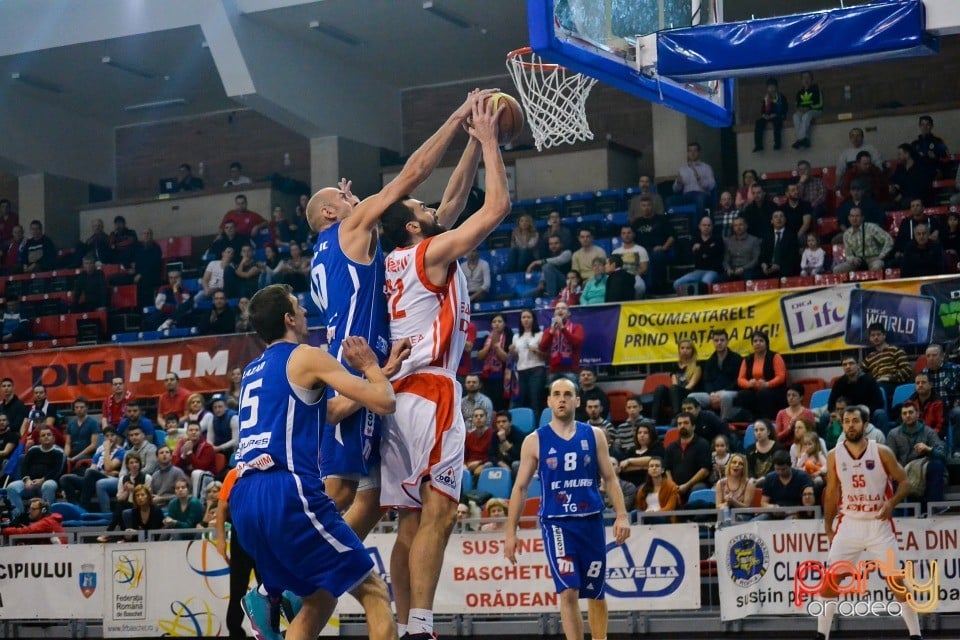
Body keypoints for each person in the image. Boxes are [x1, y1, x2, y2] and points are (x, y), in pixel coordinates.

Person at [306, 90, 494, 547]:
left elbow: (445, 211)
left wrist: (474, 143)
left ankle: (314, 583)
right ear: (331, 212)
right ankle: (289, 578)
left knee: (369, 502)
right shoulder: (346, 230)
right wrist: (456, 118)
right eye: (342, 196)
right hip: (358, 362)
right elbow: (412, 175)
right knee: (340, 489)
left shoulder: (346, 248)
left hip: (368, 363)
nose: (352, 195)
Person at [377, 95, 512, 640]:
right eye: (419, 210)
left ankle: (405, 625)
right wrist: (489, 142)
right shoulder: (429, 253)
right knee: (439, 514)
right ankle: (423, 628)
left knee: (409, 523)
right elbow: (495, 209)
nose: (428, 208)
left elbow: (453, 199)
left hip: (397, 398)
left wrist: (473, 143)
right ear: (414, 229)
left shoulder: (396, 258)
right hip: (432, 390)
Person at [229, 285, 402, 640]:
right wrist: (370, 366)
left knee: (319, 599)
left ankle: (265, 597)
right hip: (286, 491)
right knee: (374, 592)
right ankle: (264, 598)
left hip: (244, 498)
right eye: (298, 306)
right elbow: (385, 402)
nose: (306, 311)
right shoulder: (306, 355)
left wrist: (380, 371)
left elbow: (333, 411)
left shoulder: (251, 372)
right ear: (289, 319)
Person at [504, 378, 630, 640]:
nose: (562, 399)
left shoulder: (594, 435)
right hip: (557, 523)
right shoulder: (534, 440)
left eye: (567, 394)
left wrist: (621, 515)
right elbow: (519, 488)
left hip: (591, 520)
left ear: (577, 401)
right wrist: (510, 532)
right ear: (549, 401)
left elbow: (610, 478)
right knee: (568, 590)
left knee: (595, 591)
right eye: (556, 394)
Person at [816, 405, 921, 640]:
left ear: (865, 425)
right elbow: (832, 492)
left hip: (878, 524)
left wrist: (891, 503)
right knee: (830, 581)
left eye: (855, 421)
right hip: (849, 523)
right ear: (841, 425)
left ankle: (916, 635)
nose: (850, 425)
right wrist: (827, 527)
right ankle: (821, 635)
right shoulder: (834, 454)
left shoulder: (881, 451)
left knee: (896, 580)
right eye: (846, 421)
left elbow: (905, 482)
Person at [886, 402, 946, 504]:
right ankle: (899, 511)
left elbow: (942, 454)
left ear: (918, 414)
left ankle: (934, 507)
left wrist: (929, 449)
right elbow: (890, 459)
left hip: (923, 470)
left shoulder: (928, 432)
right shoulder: (893, 434)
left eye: (910, 412)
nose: (908, 415)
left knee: (937, 465)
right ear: (901, 416)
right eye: (904, 413)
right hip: (904, 472)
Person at [5, 426, 64, 518]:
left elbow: (57, 471)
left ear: (53, 438)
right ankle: (19, 516)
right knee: (12, 487)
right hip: (30, 483)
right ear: (39, 439)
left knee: (49, 485)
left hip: (48, 481)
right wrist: (27, 480)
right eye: (43, 435)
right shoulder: (33, 450)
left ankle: (47, 517)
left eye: (49, 435)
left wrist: (42, 480)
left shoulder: (59, 452)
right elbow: (24, 467)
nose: (46, 437)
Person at [687, 329, 743, 421]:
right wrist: (712, 393)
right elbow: (707, 381)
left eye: (722, 340)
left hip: (731, 392)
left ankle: (724, 422)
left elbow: (738, 380)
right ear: (713, 342)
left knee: (725, 396)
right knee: (692, 397)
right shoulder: (710, 361)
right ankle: (698, 421)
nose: (719, 343)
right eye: (716, 340)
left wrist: (722, 391)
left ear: (727, 341)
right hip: (713, 394)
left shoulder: (737, 359)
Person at [735, 331, 788, 421]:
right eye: (755, 341)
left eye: (761, 341)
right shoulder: (748, 359)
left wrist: (767, 384)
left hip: (774, 390)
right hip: (754, 389)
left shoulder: (775, 357)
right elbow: (740, 379)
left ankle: (767, 419)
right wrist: (748, 384)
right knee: (743, 394)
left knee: (763, 393)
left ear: (766, 343)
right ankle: (751, 419)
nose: (757, 343)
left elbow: (781, 377)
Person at [651, 339, 702, 424]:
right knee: (660, 388)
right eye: (682, 348)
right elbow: (674, 383)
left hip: (688, 393)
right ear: (679, 350)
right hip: (675, 393)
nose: (685, 350)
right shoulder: (675, 365)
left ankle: (677, 417)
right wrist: (674, 392)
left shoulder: (697, 365)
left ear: (692, 351)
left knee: (674, 389)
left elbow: (691, 385)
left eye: (688, 348)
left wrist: (676, 391)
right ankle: (654, 419)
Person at [663, 412, 712, 501]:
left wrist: (687, 485)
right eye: (679, 424)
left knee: (697, 489)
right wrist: (672, 485)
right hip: (675, 485)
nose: (682, 426)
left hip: (696, 485)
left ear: (693, 426)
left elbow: (705, 470)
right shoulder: (671, 446)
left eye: (686, 423)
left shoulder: (703, 444)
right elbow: (667, 468)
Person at [861, 322, 914, 404]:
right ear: (870, 338)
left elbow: (907, 370)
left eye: (878, 334)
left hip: (893, 384)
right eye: (873, 335)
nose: (876, 337)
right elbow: (859, 373)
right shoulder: (869, 357)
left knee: (876, 389)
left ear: (884, 335)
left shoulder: (895, 350)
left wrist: (889, 378)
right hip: (877, 385)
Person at [674, 216, 723, 294]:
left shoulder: (718, 239)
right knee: (677, 283)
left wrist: (700, 247)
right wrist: (708, 248)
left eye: (709, 225)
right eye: (704, 225)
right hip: (698, 271)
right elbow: (690, 255)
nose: (706, 227)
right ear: (699, 226)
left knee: (704, 284)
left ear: (712, 227)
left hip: (713, 271)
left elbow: (716, 253)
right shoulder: (694, 239)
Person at [757, 450, 812, 520]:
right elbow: (763, 503)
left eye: (783, 469)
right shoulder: (770, 478)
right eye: (777, 469)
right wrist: (772, 507)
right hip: (774, 514)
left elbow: (808, 503)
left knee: (789, 522)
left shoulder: (802, 477)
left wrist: (790, 512)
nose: (780, 472)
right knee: (759, 520)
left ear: (790, 465)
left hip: (795, 513)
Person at [539, 302, 584, 383]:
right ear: (554, 313)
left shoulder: (577, 327)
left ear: (568, 313)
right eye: (557, 309)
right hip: (553, 371)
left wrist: (563, 328)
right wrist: (551, 332)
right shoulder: (549, 330)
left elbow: (577, 342)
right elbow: (542, 348)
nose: (560, 310)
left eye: (563, 308)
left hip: (571, 371)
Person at [510, 308, 546, 412]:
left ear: (533, 319)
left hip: (536, 369)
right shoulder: (516, 337)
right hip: (521, 370)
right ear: (520, 320)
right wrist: (513, 353)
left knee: (536, 399)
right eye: (523, 317)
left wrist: (535, 350)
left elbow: (545, 356)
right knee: (523, 400)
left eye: (528, 317)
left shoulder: (540, 334)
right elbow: (516, 359)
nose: (526, 320)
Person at [477, 313, 513, 411]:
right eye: (494, 322)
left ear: (504, 324)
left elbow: (507, 359)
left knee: (501, 407)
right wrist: (489, 345)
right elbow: (480, 356)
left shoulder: (509, 337)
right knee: (488, 407)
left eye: (499, 321)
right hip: (487, 378)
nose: (496, 324)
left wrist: (496, 346)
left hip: (503, 378)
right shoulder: (486, 338)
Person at [672, 142, 716, 213]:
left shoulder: (706, 168)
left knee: (700, 198)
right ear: (688, 153)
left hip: (701, 195)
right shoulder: (682, 169)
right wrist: (678, 183)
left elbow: (712, 186)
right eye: (690, 151)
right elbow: (675, 190)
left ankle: (699, 223)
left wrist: (700, 180)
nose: (692, 153)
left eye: (695, 151)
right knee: (669, 200)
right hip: (687, 196)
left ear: (699, 152)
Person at [0, 498, 66, 544]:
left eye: (33, 509)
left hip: (58, 555)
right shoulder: (50, 520)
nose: (30, 511)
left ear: (43, 510)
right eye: (30, 509)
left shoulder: (47, 522)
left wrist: (3, 531)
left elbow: (26, 531)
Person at [618, 421, 664, 487]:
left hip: (650, 484)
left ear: (652, 435)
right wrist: (643, 466)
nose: (642, 435)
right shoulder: (631, 450)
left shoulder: (658, 447)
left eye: (646, 433)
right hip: (630, 485)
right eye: (639, 433)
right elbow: (623, 467)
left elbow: (653, 460)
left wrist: (630, 461)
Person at [636, 456, 679, 521]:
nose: (654, 468)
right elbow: (639, 508)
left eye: (657, 466)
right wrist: (646, 514)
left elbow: (670, 508)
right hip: (646, 516)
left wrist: (654, 514)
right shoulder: (642, 489)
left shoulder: (671, 486)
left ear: (662, 470)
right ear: (648, 470)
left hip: (663, 517)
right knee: (634, 513)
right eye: (651, 466)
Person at [715, 453, 755, 520]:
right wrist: (726, 504)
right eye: (734, 462)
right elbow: (717, 506)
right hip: (726, 513)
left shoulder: (749, 484)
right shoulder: (720, 483)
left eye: (740, 464)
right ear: (729, 465)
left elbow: (747, 507)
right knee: (724, 510)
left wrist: (734, 502)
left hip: (743, 516)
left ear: (743, 468)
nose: (736, 465)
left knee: (732, 517)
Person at [753, 77, 788, 152]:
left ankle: (777, 143)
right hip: (768, 116)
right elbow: (763, 110)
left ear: (776, 87)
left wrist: (776, 114)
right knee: (759, 123)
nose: (771, 89)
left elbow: (784, 109)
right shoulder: (766, 98)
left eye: (773, 86)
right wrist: (764, 115)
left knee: (777, 123)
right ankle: (758, 145)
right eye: (769, 87)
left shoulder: (781, 97)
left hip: (778, 116)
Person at [791, 71, 823, 149]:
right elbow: (797, 106)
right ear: (801, 80)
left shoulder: (816, 90)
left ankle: (800, 139)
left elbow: (820, 104)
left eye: (808, 78)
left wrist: (809, 108)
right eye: (804, 78)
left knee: (806, 115)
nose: (806, 80)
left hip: (815, 111)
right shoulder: (799, 93)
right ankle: (804, 139)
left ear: (811, 79)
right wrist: (801, 109)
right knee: (795, 116)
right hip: (803, 111)